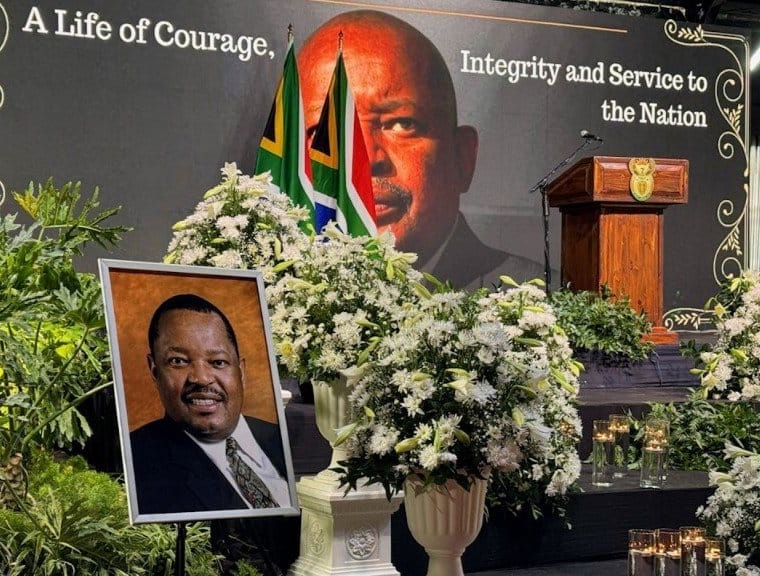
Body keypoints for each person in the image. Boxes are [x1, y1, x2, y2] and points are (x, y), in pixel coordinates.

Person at [297, 10, 546, 291]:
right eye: (326, 133)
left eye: (402, 124)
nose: (363, 159)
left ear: (462, 159)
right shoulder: (266, 296)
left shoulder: (541, 303)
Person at [130, 293, 290, 515]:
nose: (202, 378)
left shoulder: (283, 439)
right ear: (155, 371)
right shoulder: (136, 464)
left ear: (241, 371)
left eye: (218, 362)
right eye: (178, 361)